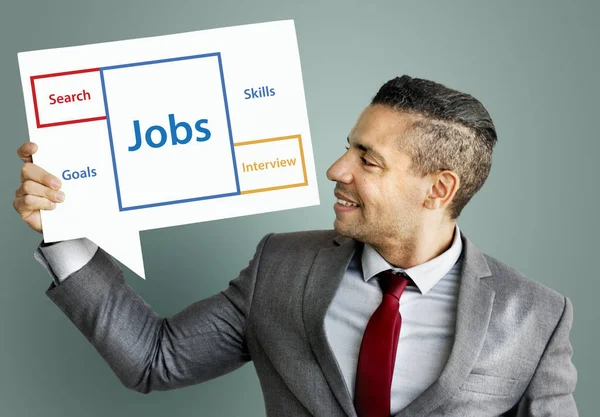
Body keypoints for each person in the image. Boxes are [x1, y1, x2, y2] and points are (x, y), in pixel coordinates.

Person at [13, 76, 578, 417]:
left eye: (367, 159)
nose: (337, 169)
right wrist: (65, 227)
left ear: (439, 189)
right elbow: (153, 361)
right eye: (348, 147)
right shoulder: (280, 266)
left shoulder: (537, 316)